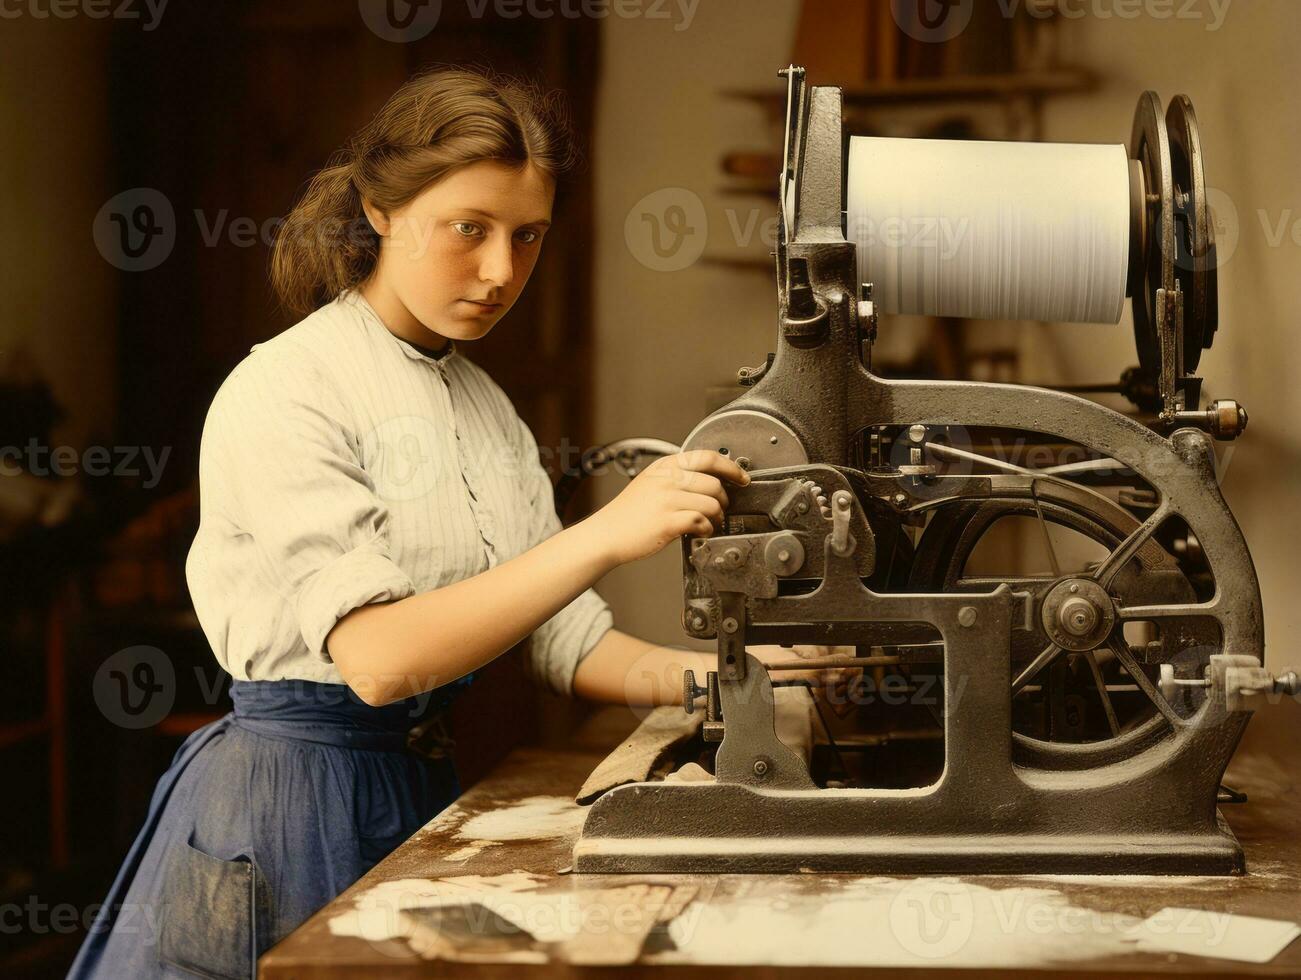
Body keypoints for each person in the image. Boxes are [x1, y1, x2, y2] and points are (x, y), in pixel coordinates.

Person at [69, 66, 848, 979]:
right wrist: (605, 530)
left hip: (417, 785)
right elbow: (378, 660)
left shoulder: (485, 408)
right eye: (468, 230)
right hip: (283, 800)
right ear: (378, 210)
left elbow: (567, 643)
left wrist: (752, 673)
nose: (499, 272)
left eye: (527, 237)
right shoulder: (286, 387)